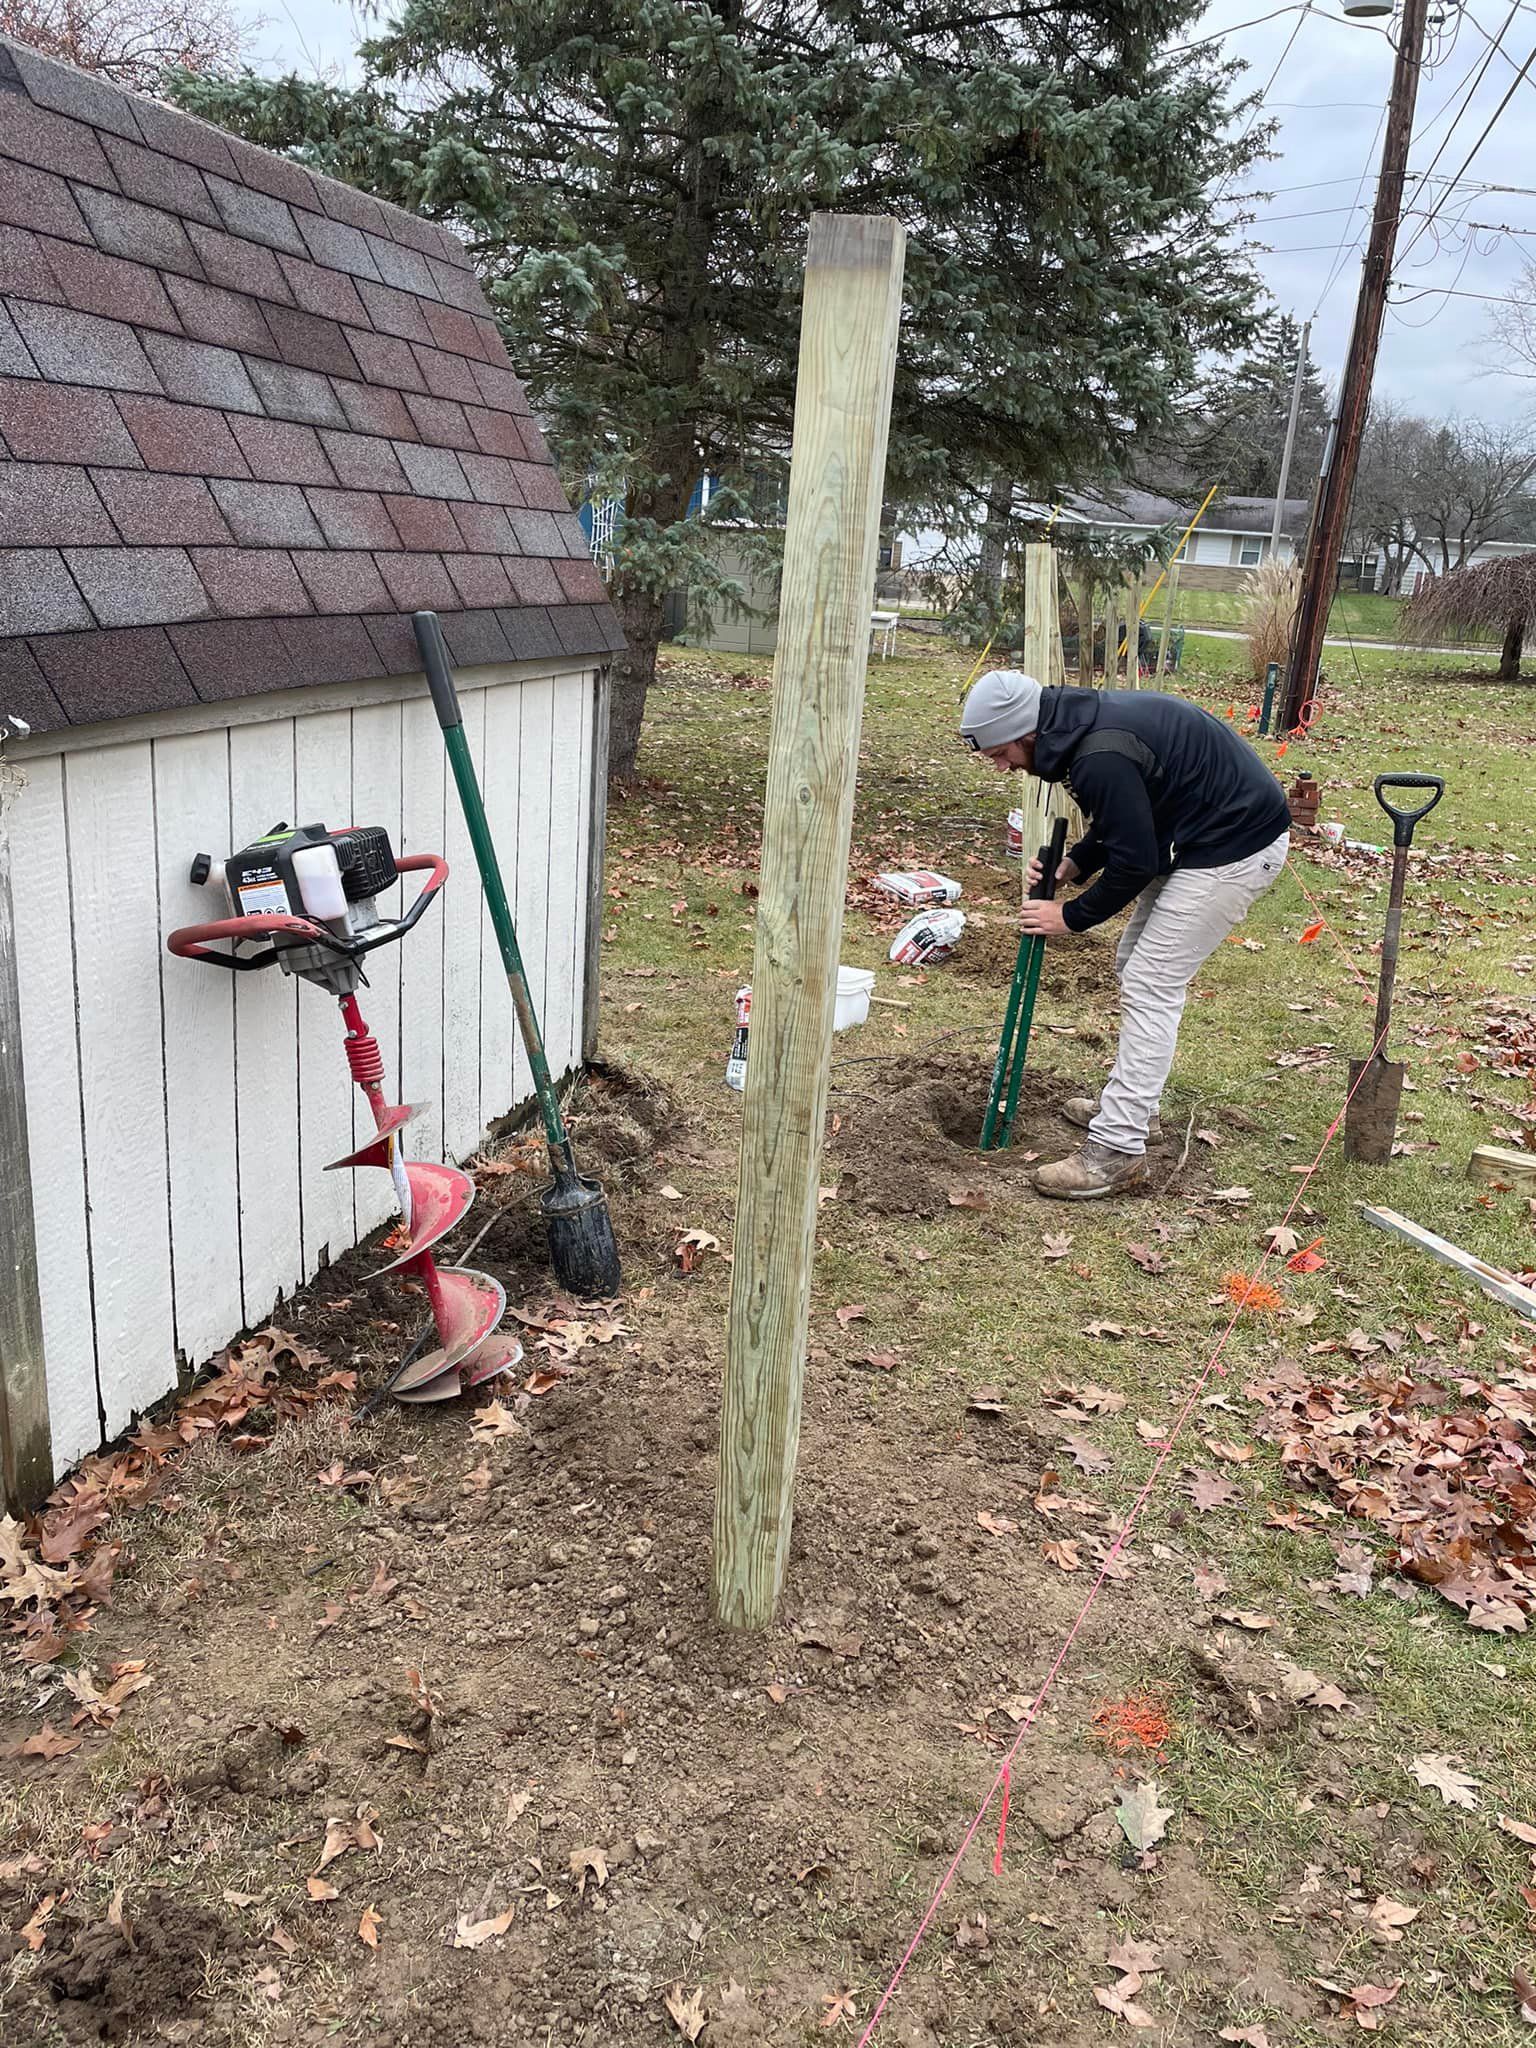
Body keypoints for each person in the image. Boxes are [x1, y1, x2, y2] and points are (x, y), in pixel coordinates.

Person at [959, 669, 1292, 1199]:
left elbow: (1135, 862)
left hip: (1235, 845)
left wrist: (1068, 918)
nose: (1000, 766)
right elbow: (1130, 817)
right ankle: (1137, 1108)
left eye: (1000, 752)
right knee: (1135, 962)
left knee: (1151, 981)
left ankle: (1117, 1149)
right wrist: (1076, 863)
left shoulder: (1096, 755)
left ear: (1027, 733)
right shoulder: (1080, 734)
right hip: (1197, 834)